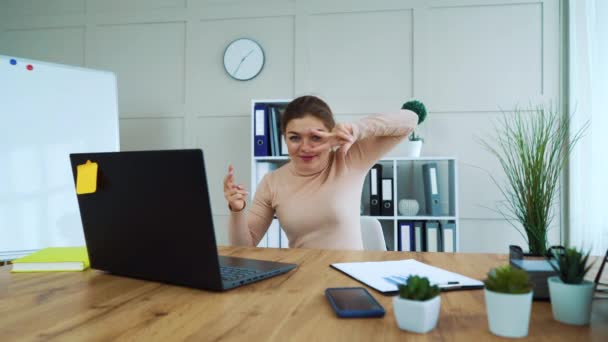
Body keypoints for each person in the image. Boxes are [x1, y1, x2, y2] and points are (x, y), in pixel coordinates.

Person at [224, 95, 418, 250]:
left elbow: (411, 119)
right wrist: (237, 209)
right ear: (284, 138)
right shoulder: (272, 182)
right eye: (294, 138)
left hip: (350, 278)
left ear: (331, 134)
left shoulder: (350, 158)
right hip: (303, 279)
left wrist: (356, 129)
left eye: (316, 137)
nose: (305, 147)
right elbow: (244, 247)